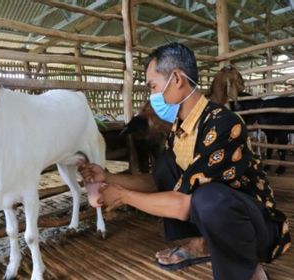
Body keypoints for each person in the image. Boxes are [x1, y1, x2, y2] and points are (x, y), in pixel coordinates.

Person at [79, 42, 290, 280]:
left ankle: (248, 270)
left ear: (177, 79)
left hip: (258, 227)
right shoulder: (179, 128)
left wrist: (123, 196)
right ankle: (202, 244)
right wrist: (107, 177)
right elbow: (158, 182)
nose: (153, 95)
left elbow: (183, 205)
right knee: (166, 166)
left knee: (207, 199)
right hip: (221, 215)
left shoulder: (224, 123)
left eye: (153, 86)